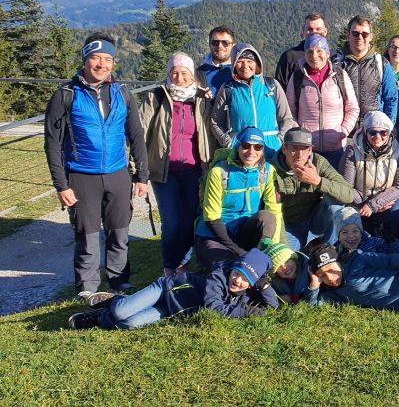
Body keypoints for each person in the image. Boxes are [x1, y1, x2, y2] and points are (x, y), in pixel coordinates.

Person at [44, 33, 149, 297]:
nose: (101, 65)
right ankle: (87, 288)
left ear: (113, 62)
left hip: (118, 174)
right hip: (82, 176)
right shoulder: (66, 96)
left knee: (119, 233)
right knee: (87, 235)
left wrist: (142, 177)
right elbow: (52, 144)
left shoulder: (122, 93)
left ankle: (119, 282)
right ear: (85, 59)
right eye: (95, 58)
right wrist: (61, 185)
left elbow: (136, 136)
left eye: (108, 59)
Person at [139, 52, 217, 276]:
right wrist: (139, 170)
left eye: (184, 73)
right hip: (164, 172)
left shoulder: (202, 99)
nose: (179, 77)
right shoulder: (157, 97)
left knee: (191, 218)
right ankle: (170, 266)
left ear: (192, 75)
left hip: (195, 169)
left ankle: (183, 262)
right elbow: (141, 132)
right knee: (171, 222)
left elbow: (211, 132)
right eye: (174, 72)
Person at [67, 248, 279, 330]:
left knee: (128, 323)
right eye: (237, 273)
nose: (237, 281)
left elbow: (273, 306)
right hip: (165, 289)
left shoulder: (247, 292)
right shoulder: (218, 276)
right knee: (121, 311)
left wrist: (264, 284)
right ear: (232, 268)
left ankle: (98, 318)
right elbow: (214, 307)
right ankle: (114, 301)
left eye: (245, 280)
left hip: (170, 309)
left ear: (252, 283)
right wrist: (245, 312)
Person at [194, 127, 281, 269]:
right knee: (228, 268)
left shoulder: (268, 171)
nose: (251, 152)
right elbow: (212, 217)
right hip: (216, 234)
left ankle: (259, 259)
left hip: (244, 231)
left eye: (257, 147)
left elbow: (274, 210)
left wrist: (273, 247)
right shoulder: (219, 172)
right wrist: (238, 251)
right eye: (246, 146)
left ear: (263, 150)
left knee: (268, 216)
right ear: (237, 146)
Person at [272, 127, 355, 250]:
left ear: (310, 150)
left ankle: (330, 249)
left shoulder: (318, 162)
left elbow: (349, 194)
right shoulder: (272, 169)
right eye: (294, 148)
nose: (300, 155)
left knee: (334, 204)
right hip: (289, 225)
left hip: (314, 220)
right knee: (290, 259)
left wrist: (317, 181)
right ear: (284, 149)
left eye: (304, 149)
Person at [285, 34, 359, 169]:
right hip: (307, 150)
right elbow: (289, 111)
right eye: (310, 51)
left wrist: (342, 132)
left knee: (333, 187)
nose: (314, 55)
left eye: (319, 51)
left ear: (327, 53)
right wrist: (299, 136)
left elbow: (353, 108)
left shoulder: (340, 75)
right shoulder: (297, 77)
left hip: (336, 149)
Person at [211, 43, 296, 159]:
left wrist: (279, 141)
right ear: (234, 65)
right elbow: (216, 122)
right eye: (240, 61)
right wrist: (229, 143)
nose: (245, 65)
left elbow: (286, 118)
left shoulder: (271, 86)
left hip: (271, 150)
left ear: (257, 64)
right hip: (242, 151)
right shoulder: (228, 88)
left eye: (250, 61)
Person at [340, 111, 399, 243]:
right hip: (358, 204)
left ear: (389, 133)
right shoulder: (352, 152)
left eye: (383, 132)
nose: (377, 136)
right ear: (365, 132)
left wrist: (374, 204)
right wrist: (364, 204)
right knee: (364, 240)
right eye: (372, 132)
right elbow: (346, 187)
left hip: (384, 203)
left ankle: (391, 242)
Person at [334, 16, 398, 127]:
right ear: (348, 35)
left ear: (371, 37)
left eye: (365, 34)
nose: (360, 37)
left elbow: (391, 99)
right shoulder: (336, 63)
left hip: (373, 132)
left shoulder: (382, 64)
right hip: (342, 132)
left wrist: (387, 128)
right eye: (355, 33)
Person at [274, 12, 329, 90]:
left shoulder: (333, 57)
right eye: (309, 29)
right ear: (303, 32)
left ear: (325, 31)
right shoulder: (290, 57)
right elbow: (279, 88)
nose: (314, 32)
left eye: (318, 29)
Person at [333, 206, 399, 256]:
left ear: (361, 232)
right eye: (344, 232)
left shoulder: (373, 243)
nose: (351, 236)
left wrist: (391, 241)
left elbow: (398, 254)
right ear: (338, 236)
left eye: (355, 231)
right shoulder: (336, 251)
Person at [196, 26, 237, 97]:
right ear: (209, 45)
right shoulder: (198, 74)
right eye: (215, 42)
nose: (220, 46)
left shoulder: (241, 72)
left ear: (233, 46)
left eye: (225, 43)